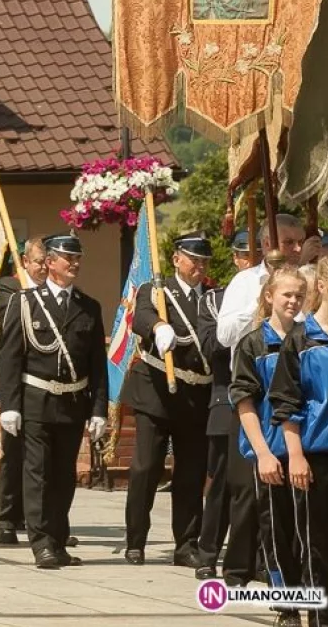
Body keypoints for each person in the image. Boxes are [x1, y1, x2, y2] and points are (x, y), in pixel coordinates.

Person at [0, 233, 107, 566]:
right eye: (66, 258)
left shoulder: (88, 307)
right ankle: (41, 542)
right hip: (36, 400)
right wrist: (10, 405)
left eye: (76, 258)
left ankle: (58, 541)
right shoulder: (26, 301)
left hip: (72, 403)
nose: (73, 263)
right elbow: (11, 357)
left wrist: (98, 409)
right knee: (37, 474)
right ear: (49, 263)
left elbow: (97, 366)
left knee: (63, 476)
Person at [123, 232, 214, 567]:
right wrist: (158, 326)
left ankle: (187, 544)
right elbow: (141, 316)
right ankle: (136, 540)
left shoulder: (211, 297)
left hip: (196, 395)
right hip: (157, 392)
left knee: (191, 473)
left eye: (204, 261)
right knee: (146, 469)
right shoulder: (157, 290)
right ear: (177, 259)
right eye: (194, 260)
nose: (199, 267)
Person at [269, 254, 328, 627]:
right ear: (324, 287)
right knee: (319, 547)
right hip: (319, 457)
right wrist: (294, 456)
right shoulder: (302, 339)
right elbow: (285, 403)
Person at [230, 267, 306, 627]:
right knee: (276, 530)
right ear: (269, 296)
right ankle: (287, 606)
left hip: (308, 451)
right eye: (286, 294)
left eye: (299, 295)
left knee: (310, 531)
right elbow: (245, 402)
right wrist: (261, 452)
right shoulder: (253, 343)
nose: (293, 301)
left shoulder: (311, 339)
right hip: (271, 451)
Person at [194, 230, 262, 583]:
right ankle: (207, 554)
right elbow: (212, 345)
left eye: (257, 253)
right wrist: (256, 312)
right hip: (227, 396)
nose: (249, 261)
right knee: (222, 483)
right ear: (235, 259)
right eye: (243, 255)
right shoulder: (215, 300)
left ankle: (258, 556)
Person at [0, 237, 47, 543]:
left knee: (41, 458)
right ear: (24, 261)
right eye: (37, 261)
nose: (42, 267)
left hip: (44, 386)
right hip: (18, 383)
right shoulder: (9, 288)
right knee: (13, 454)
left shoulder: (53, 291)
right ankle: (7, 518)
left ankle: (36, 517)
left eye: (45, 261)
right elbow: (10, 313)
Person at [217, 214, 306, 351]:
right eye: (289, 242)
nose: (298, 249)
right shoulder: (245, 281)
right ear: (267, 244)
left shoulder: (309, 281)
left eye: (301, 242)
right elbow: (224, 337)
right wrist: (259, 301)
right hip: (252, 369)